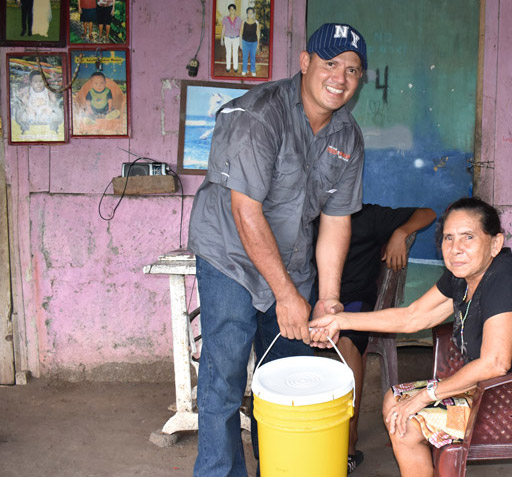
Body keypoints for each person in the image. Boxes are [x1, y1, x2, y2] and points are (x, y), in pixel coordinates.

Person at [187, 22, 367, 477]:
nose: (340, 78)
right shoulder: (257, 116)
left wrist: (326, 298)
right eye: (330, 63)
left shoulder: (347, 136)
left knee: (288, 377)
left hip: (290, 257)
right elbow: (247, 214)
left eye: (352, 69)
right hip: (231, 258)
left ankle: (283, 468)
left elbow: (336, 220)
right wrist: (286, 297)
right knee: (224, 379)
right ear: (305, 63)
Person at [310, 197, 512, 477]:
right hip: (488, 391)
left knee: (409, 425)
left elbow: (495, 364)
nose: (455, 249)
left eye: (468, 237)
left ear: (495, 243)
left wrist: (425, 397)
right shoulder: (463, 276)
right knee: (395, 399)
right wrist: (339, 320)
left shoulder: (503, 278)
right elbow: (412, 316)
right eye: (448, 238)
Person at [328, 204, 436, 473]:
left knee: (347, 342)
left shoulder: (367, 215)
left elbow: (427, 213)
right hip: (312, 298)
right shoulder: (306, 214)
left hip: (354, 300)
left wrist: (401, 231)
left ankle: (348, 441)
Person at [14, 71, 63, 135]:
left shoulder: (47, 91)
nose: (38, 84)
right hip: (32, 108)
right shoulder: (29, 91)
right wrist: (26, 105)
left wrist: (52, 103)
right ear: (31, 83)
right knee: (30, 113)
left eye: (41, 81)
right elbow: (24, 100)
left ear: (44, 82)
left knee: (47, 112)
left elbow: (53, 100)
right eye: (35, 82)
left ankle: (47, 120)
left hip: (44, 108)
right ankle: (30, 120)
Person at [221, 4, 242, 73]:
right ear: (229, 10)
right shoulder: (225, 19)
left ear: (235, 10)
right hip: (227, 38)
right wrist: (222, 39)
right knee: (228, 53)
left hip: (236, 38)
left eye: (233, 9)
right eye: (230, 9)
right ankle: (228, 67)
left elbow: (240, 31)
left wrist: (241, 40)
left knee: (235, 53)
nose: (232, 10)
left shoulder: (239, 19)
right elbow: (223, 29)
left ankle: (235, 67)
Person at [239, 7, 261, 77]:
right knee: (245, 57)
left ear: (253, 14)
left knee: (253, 57)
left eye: (251, 13)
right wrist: (240, 43)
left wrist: (258, 43)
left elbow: (258, 34)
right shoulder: (244, 22)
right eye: (249, 13)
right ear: (247, 14)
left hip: (254, 43)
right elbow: (241, 32)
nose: (250, 14)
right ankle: (244, 70)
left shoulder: (256, 23)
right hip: (245, 42)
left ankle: (253, 70)